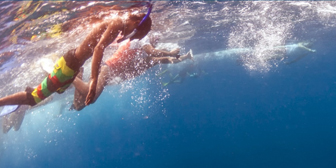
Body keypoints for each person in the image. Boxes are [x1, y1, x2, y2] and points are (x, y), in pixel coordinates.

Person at [0, 7, 152, 131]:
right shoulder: (118, 22)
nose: (131, 37)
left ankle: (48, 71)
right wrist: (93, 80)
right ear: (137, 22)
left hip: (72, 66)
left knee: (56, 92)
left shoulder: (119, 24)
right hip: (69, 65)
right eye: (136, 34)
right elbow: (99, 48)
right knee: (33, 98)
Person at [71, 34, 193, 111]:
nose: (154, 44)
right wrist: (171, 53)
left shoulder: (141, 59)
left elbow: (164, 60)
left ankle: (78, 73)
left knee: (78, 105)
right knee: (91, 97)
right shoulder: (142, 37)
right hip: (108, 68)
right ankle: (71, 76)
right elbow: (152, 52)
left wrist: (183, 57)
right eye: (154, 42)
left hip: (113, 75)